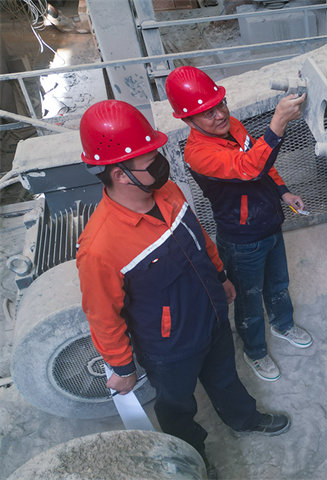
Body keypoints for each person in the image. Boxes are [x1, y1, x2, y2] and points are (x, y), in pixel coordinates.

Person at [75, 100, 289, 469]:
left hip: (211, 313)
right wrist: (122, 367)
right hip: (169, 345)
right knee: (177, 406)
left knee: (225, 377)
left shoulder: (168, 191)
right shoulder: (100, 247)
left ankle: (244, 418)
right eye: (150, 159)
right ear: (120, 175)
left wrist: (220, 276)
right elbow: (102, 314)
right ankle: (192, 459)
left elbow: (198, 238)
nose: (161, 162)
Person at [165, 65, 313, 382]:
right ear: (188, 120)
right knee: (248, 298)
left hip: (270, 222)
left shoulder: (232, 125)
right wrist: (278, 123)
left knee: (278, 284)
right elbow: (248, 168)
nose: (220, 114)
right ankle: (255, 351)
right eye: (207, 113)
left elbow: (263, 162)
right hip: (243, 239)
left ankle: (283, 324)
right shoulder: (198, 154)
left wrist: (284, 192)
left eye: (220, 104)